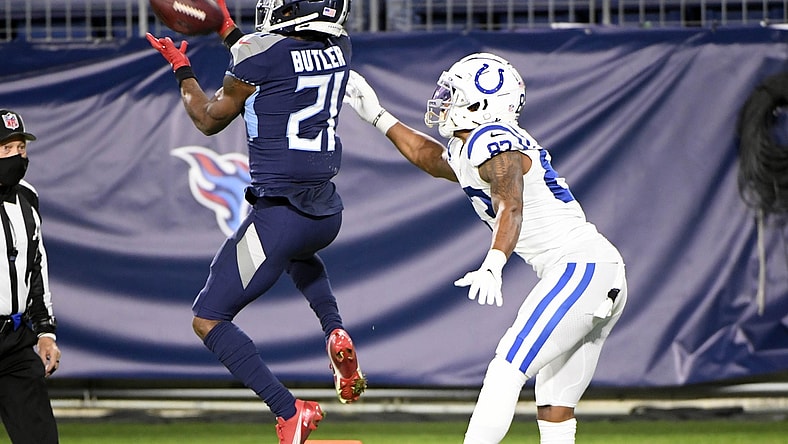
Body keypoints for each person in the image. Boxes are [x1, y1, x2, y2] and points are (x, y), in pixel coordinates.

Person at [343, 54, 627, 444]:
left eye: (455, 94)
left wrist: (494, 263)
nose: (444, 99)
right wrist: (378, 117)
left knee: (507, 368)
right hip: (597, 270)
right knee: (554, 403)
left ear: (483, 105)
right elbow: (434, 159)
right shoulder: (472, 146)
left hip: (582, 267)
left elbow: (510, 202)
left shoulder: (493, 140)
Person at [147, 1, 365, 443]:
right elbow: (277, 60)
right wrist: (227, 30)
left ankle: (290, 411)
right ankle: (334, 328)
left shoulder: (260, 54)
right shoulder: (340, 47)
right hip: (325, 211)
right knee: (299, 256)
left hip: (280, 215)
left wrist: (182, 70)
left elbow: (209, 119)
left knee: (208, 319)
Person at [0, 109, 60, 444]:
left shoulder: (27, 196)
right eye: (7, 149)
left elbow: (36, 267)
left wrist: (46, 332)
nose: (17, 157)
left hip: (15, 339)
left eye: (21, 148)